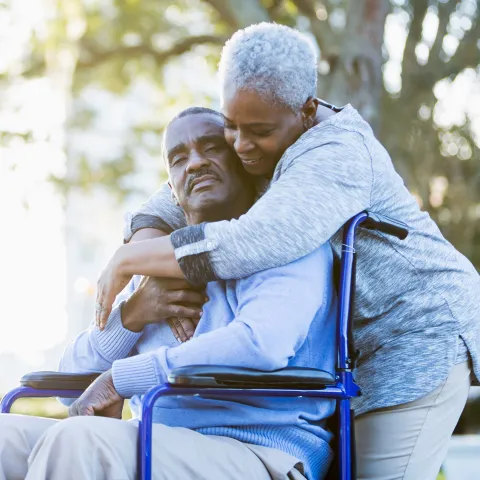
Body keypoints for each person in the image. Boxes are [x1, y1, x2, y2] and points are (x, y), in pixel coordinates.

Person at [94, 23, 480, 480]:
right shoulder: (260, 132)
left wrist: (129, 262)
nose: (239, 146)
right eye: (230, 127)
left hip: (415, 332)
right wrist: (147, 261)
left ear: (306, 110)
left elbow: (253, 241)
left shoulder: (336, 152)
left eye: (255, 131)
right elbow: (168, 198)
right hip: (348, 352)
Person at [0, 107, 338, 480]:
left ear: (245, 162)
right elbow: (69, 383)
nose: (194, 164)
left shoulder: (285, 241)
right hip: (154, 441)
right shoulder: (156, 262)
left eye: (211, 148)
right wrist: (131, 316)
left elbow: (262, 343)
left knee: (79, 440)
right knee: (5, 437)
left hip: (259, 449)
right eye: (178, 159)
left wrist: (121, 377)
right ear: (172, 194)